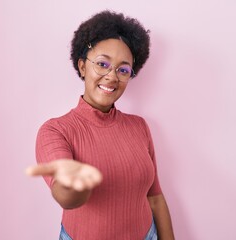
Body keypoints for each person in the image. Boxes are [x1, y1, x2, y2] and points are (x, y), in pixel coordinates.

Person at [26, 10, 175, 240]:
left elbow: (154, 197)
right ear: (83, 66)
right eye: (102, 64)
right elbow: (66, 197)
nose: (112, 76)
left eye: (123, 69)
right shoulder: (56, 130)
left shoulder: (139, 126)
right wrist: (72, 185)